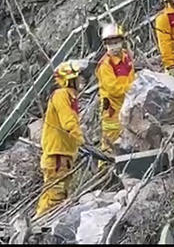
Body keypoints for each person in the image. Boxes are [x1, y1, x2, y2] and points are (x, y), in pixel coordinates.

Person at [36, 61, 85, 216]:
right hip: (57, 155)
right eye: (78, 78)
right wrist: (81, 139)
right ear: (70, 80)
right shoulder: (61, 95)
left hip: (63, 154)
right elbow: (68, 121)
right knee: (55, 195)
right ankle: (42, 224)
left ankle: (39, 220)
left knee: (53, 192)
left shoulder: (70, 97)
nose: (81, 81)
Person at [95, 23, 136, 153]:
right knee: (110, 140)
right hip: (112, 109)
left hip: (127, 103)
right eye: (110, 44)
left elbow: (131, 74)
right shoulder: (105, 65)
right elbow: (114, 89)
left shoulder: (126, 56)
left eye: (116, 43)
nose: (113, 47)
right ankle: (105, 166)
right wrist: (133, 88)